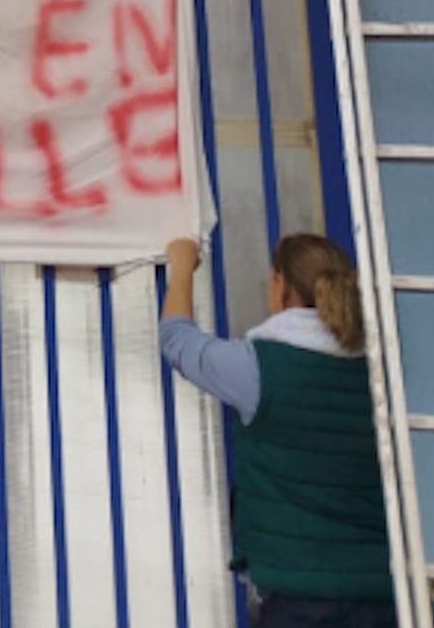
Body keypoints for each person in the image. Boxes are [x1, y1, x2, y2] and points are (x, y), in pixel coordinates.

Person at [160, 233, 396, 628]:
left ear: (281, 286)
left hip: (297, 598)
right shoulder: (384, 371)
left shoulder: (258, 369)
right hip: (384, 593)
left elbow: (177, 341)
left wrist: (181, 266)